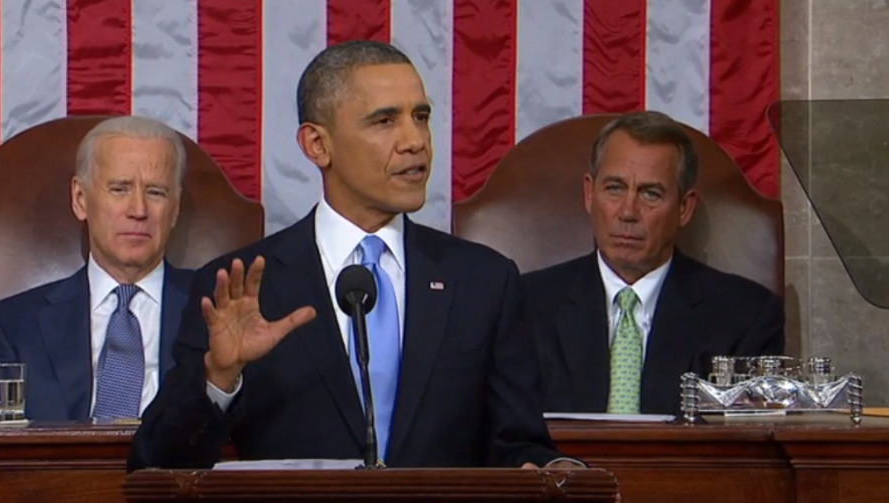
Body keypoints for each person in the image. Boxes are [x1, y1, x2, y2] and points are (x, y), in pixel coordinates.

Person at [129, 40, 579, 470]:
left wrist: (557, 469)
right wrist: (218, 378)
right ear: (317, 145)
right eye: (385, 121)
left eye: (420, 117)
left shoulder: (483, 281)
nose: (415, 141)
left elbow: (517, 446)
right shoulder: (240, 286)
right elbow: (158, 463)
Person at [523, 111, 785, 415]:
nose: (628, 212)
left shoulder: (746, 315)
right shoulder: (526, 305)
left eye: (650, 193)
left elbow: (749, 447)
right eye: (615, 189)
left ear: (684, 208)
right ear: (589, 194)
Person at [0, 116, 194, 421]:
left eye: (155, 192)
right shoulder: (12, 327)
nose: (138, 210)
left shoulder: (217, 312)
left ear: (175, 210)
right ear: (80, 199)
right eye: (119, 189)